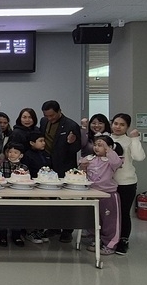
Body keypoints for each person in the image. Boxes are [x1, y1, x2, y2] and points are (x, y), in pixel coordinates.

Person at [39, 100, 81, 244]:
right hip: (48, 167)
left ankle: (67, 231)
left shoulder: (71, 125)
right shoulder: (43, 122)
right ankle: (54, 227)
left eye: (52, 115)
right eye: (46, 115)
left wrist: (71, 142)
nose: (49, 118)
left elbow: (76, 149)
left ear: (59, 111)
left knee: (66, 200)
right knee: (51, 199)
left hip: (65, 167)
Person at [79, 135, 124, 255]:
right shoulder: (89, 159)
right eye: (95, 145)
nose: (96, 148)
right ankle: (95, 240)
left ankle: (110, 244)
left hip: (108, 194)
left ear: (109, 147)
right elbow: (81, 174)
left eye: (100, 145)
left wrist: (109, 150)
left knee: (110, 221)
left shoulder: (111, 160)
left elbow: (117, 162)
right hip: (92, 193)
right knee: (93, 219)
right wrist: (83, 166)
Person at [110, 113, 146, 255]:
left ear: (127, 127)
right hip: (107, 183)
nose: (118, 127)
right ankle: (108, 237)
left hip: (126, 183)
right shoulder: (106, 139)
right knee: (108, 213)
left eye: (122, 124)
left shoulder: (130, 141)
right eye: (115, 123)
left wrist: (135, 139)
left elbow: (139, 157)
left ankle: (123, 240)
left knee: (123, 212)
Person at [0, 142, 28, 247]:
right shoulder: (3, 164)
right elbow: (1, 178)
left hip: (19, 195)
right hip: (5, 194)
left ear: (21, 155)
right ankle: (2, 235)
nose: (12, 154)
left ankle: (16, 235)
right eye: (10, 152)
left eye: (15, 152)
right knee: (3, 215)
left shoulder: (24, 167)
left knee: (17, 215)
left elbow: (26, 179)